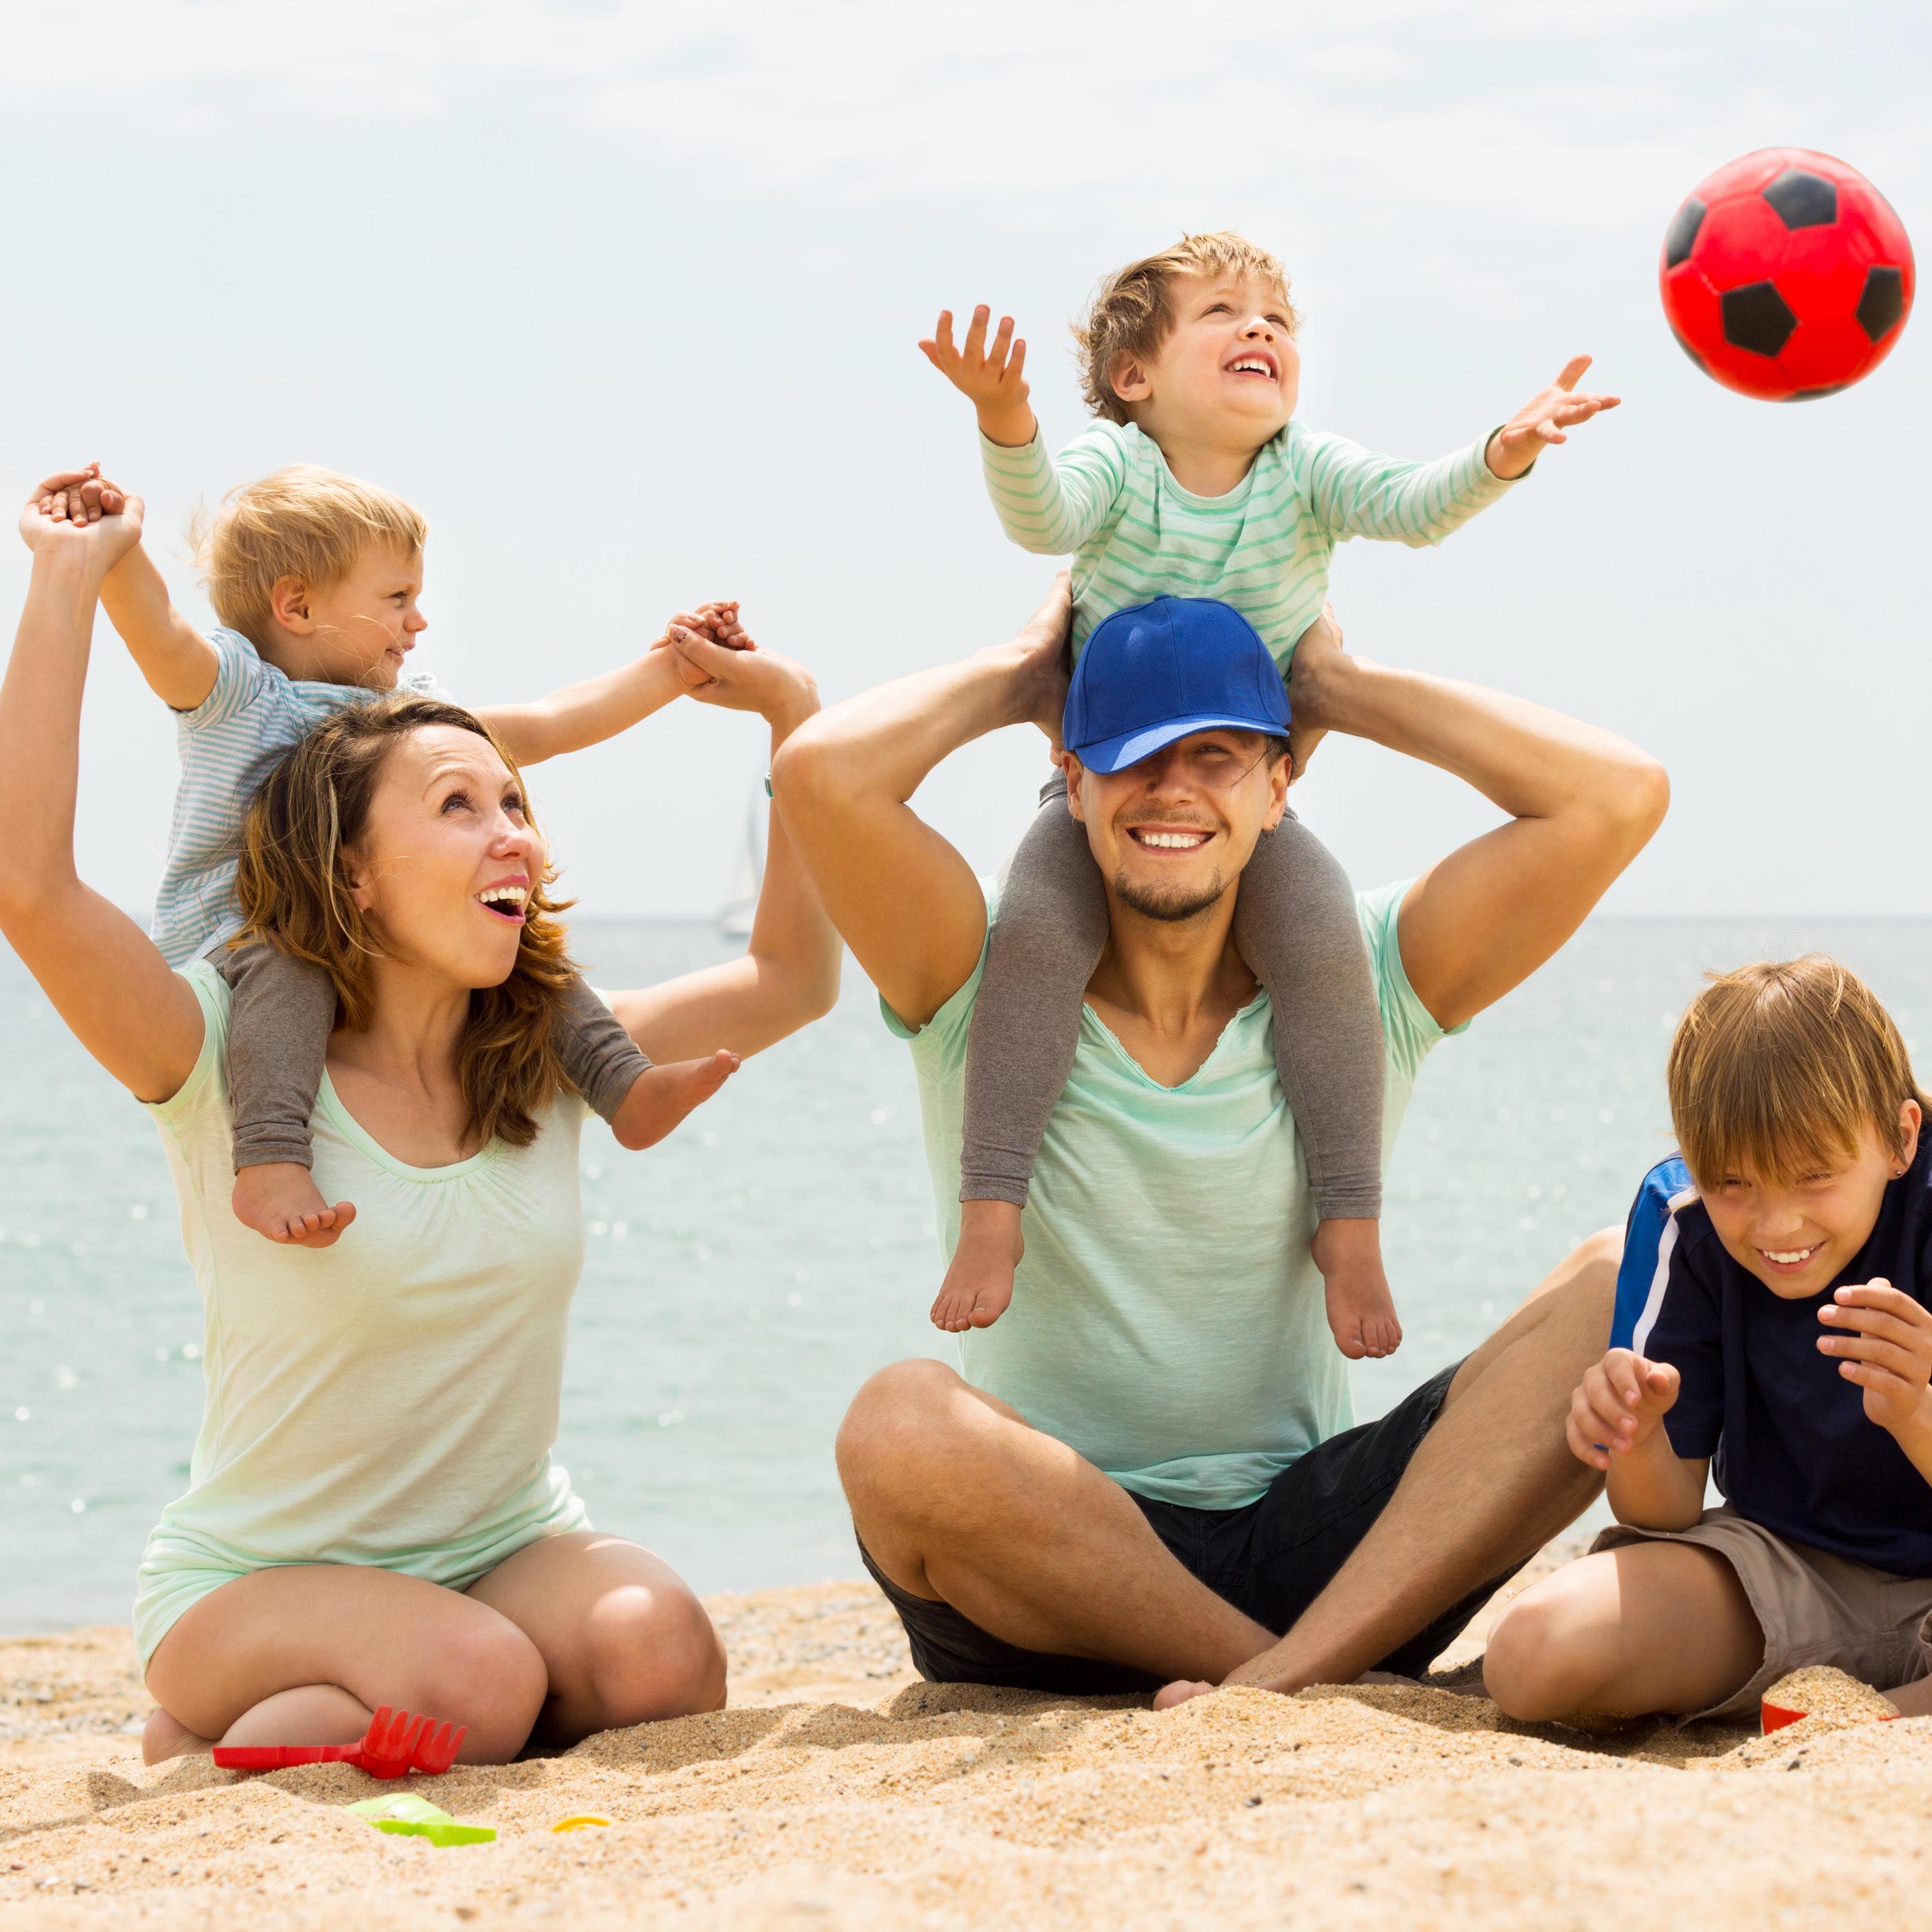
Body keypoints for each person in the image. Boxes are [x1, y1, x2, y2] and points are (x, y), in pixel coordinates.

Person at [0, 477, 840, 1763]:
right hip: (251, 1584)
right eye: (459, 807)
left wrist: (795, 723)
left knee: (661, 1651)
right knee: (480, 1680)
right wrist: (68, 579)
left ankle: (330, 1717)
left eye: (515, 806)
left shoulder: (544, 1050)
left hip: (499, 1553)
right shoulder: (220, 1053)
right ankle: (256, 1705)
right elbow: (31, 886)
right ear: (354, 873)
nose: (515, 837)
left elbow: (792, 980)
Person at [739, 575, 1666, 1702]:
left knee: (1622, 1277)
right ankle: (1285, 1685)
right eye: (1131, 755)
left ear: (1282, 786)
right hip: (1050, 1572)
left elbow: (1620, 796)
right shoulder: (975, 963)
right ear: (1070, 781)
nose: (1172, 788)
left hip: (1316, 1563)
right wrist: (1023, 674)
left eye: (1219, 756)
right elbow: (820, 774)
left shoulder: (1368, 970)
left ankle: (1284, 1675)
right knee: (898, 1428)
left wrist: (1341, 686)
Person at [918, 230, 1619, 1361]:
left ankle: (1349, 1224)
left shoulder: (1307, 471)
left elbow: (1411, 505)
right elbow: (1041, 517)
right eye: (1224, 313)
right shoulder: (1120, 469)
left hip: (1251, 803)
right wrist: (1008, 419)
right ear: (1135, 379)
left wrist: (1502, 450)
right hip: (1106, 796)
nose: (1261, 330)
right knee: (1039, 937)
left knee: (1324, 943)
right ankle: (992, 1213)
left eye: (1278, 321)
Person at [34, 462, 745, 1250]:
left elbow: (545, 722)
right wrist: (115, 550)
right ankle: (269, 1158)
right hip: (245, 941)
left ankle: (624, 1083)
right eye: (397, 598)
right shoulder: (238, 693)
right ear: (297, 605)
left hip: (362, 936)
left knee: (527, 954)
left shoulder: (404, 719)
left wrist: (671, 668)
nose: (419, 621)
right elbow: (157, 631)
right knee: (289, 965)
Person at [1483, 957, 1932, 1724]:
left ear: (1898, 1137)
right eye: (1734, 1183)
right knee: (1533, 1652)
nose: (1775, 1225)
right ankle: (1879, 1709)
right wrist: (1635, 1433)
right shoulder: (1684, 1221)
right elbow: (1662, 1511)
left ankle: (1875, 1718)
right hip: (1790, 1568)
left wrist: (1916, 1411)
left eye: (1813, 1176)